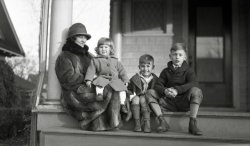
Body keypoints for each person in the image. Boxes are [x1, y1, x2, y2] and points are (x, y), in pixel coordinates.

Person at [55, 23, 121, 131]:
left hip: (91, 86)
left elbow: (101, 69)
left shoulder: (89, 55)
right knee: (107, 90)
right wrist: (89, 79)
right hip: (74, 92)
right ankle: (90, 120)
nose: (83, 40)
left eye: (85, 37)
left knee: (115, 86)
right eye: (80, 36)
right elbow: (67, 78)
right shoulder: (65, 56)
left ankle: (113, 122)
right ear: (73, 37)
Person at [148, 43, 203, 135]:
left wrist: (177, 90)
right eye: (175, 54)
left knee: (196, 91)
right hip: (168, 102)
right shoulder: (165, 71)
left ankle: (192, 123)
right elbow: (158, 85)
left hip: (184, 101)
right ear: (170, 56)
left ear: (184, 57)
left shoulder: (189, 70)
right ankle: (162, 121)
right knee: (150, 92)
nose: (177, 57)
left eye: (180, 55)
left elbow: (194, 83)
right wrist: (165, 91)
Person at [85, 37, 129, 115]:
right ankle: (99, 95)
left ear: (110, 49)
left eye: (106, 47)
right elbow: (91, 70)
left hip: (114, 80)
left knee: (122, 90)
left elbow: (122, 71)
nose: (103, 49)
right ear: (98, 49)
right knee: (99, 84)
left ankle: (122, 104)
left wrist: (125, 80)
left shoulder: (115, 60)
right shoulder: (95, 60)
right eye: (101, 47)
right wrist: (88, 79)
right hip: (103, 77)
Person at [127, 54, 169, 133]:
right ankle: (137, 124)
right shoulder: (134, 78)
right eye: (142, 66)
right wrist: (132, 95)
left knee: (143, 99)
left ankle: (147, 124)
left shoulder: (156, 79)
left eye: (148, 66)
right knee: (136, 99)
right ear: (139, 67)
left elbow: (158, 92)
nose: (145, 69)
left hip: (148, 101)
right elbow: (129, 90)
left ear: (153, 67)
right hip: (137, 99)